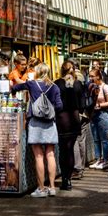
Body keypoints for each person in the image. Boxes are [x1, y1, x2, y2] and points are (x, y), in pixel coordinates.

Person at [14, 63, 63, 198]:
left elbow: (15, 87)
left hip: (35, 123)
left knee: (38, 156)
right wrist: (49, 110)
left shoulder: (31, 84)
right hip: (50, 123)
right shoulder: (54, 87)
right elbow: (59, 106)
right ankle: (52, 187)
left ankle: (41, 189)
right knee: (51, 155)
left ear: (37, 72)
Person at [55, 62, 82, 190]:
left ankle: (65, 179)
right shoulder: (78, 84)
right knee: (70, 149)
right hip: (74, 119)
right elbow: (82, 104)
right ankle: (69, 179)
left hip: (62, 119)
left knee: (62, 150)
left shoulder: (57, 84)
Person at [88, 69, 108, 170]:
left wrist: (99, 105)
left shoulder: (105, 87)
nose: (90, 78)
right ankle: (98, 159)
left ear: (98, 76)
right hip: (94, 115)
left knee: (104, 139)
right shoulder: (91, 87)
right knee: (95, 139)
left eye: (92, 76)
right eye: (89, 76)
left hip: (103, 114)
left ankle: (105, 160)